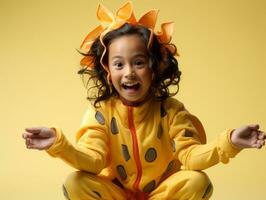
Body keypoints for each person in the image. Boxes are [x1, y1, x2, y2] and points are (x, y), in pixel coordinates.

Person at [22, 2, 265, 200]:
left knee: (197, 181)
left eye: (138, 62)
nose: (128, 72)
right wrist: (58, 144)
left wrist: (231, 141)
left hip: (160, 194)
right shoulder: (101, 112)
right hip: (115, 194)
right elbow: (93, 162)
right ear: (107, 71)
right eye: (119, 64)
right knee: (75, 183)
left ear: (155, 66)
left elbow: (191, 157)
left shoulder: (171, 111)